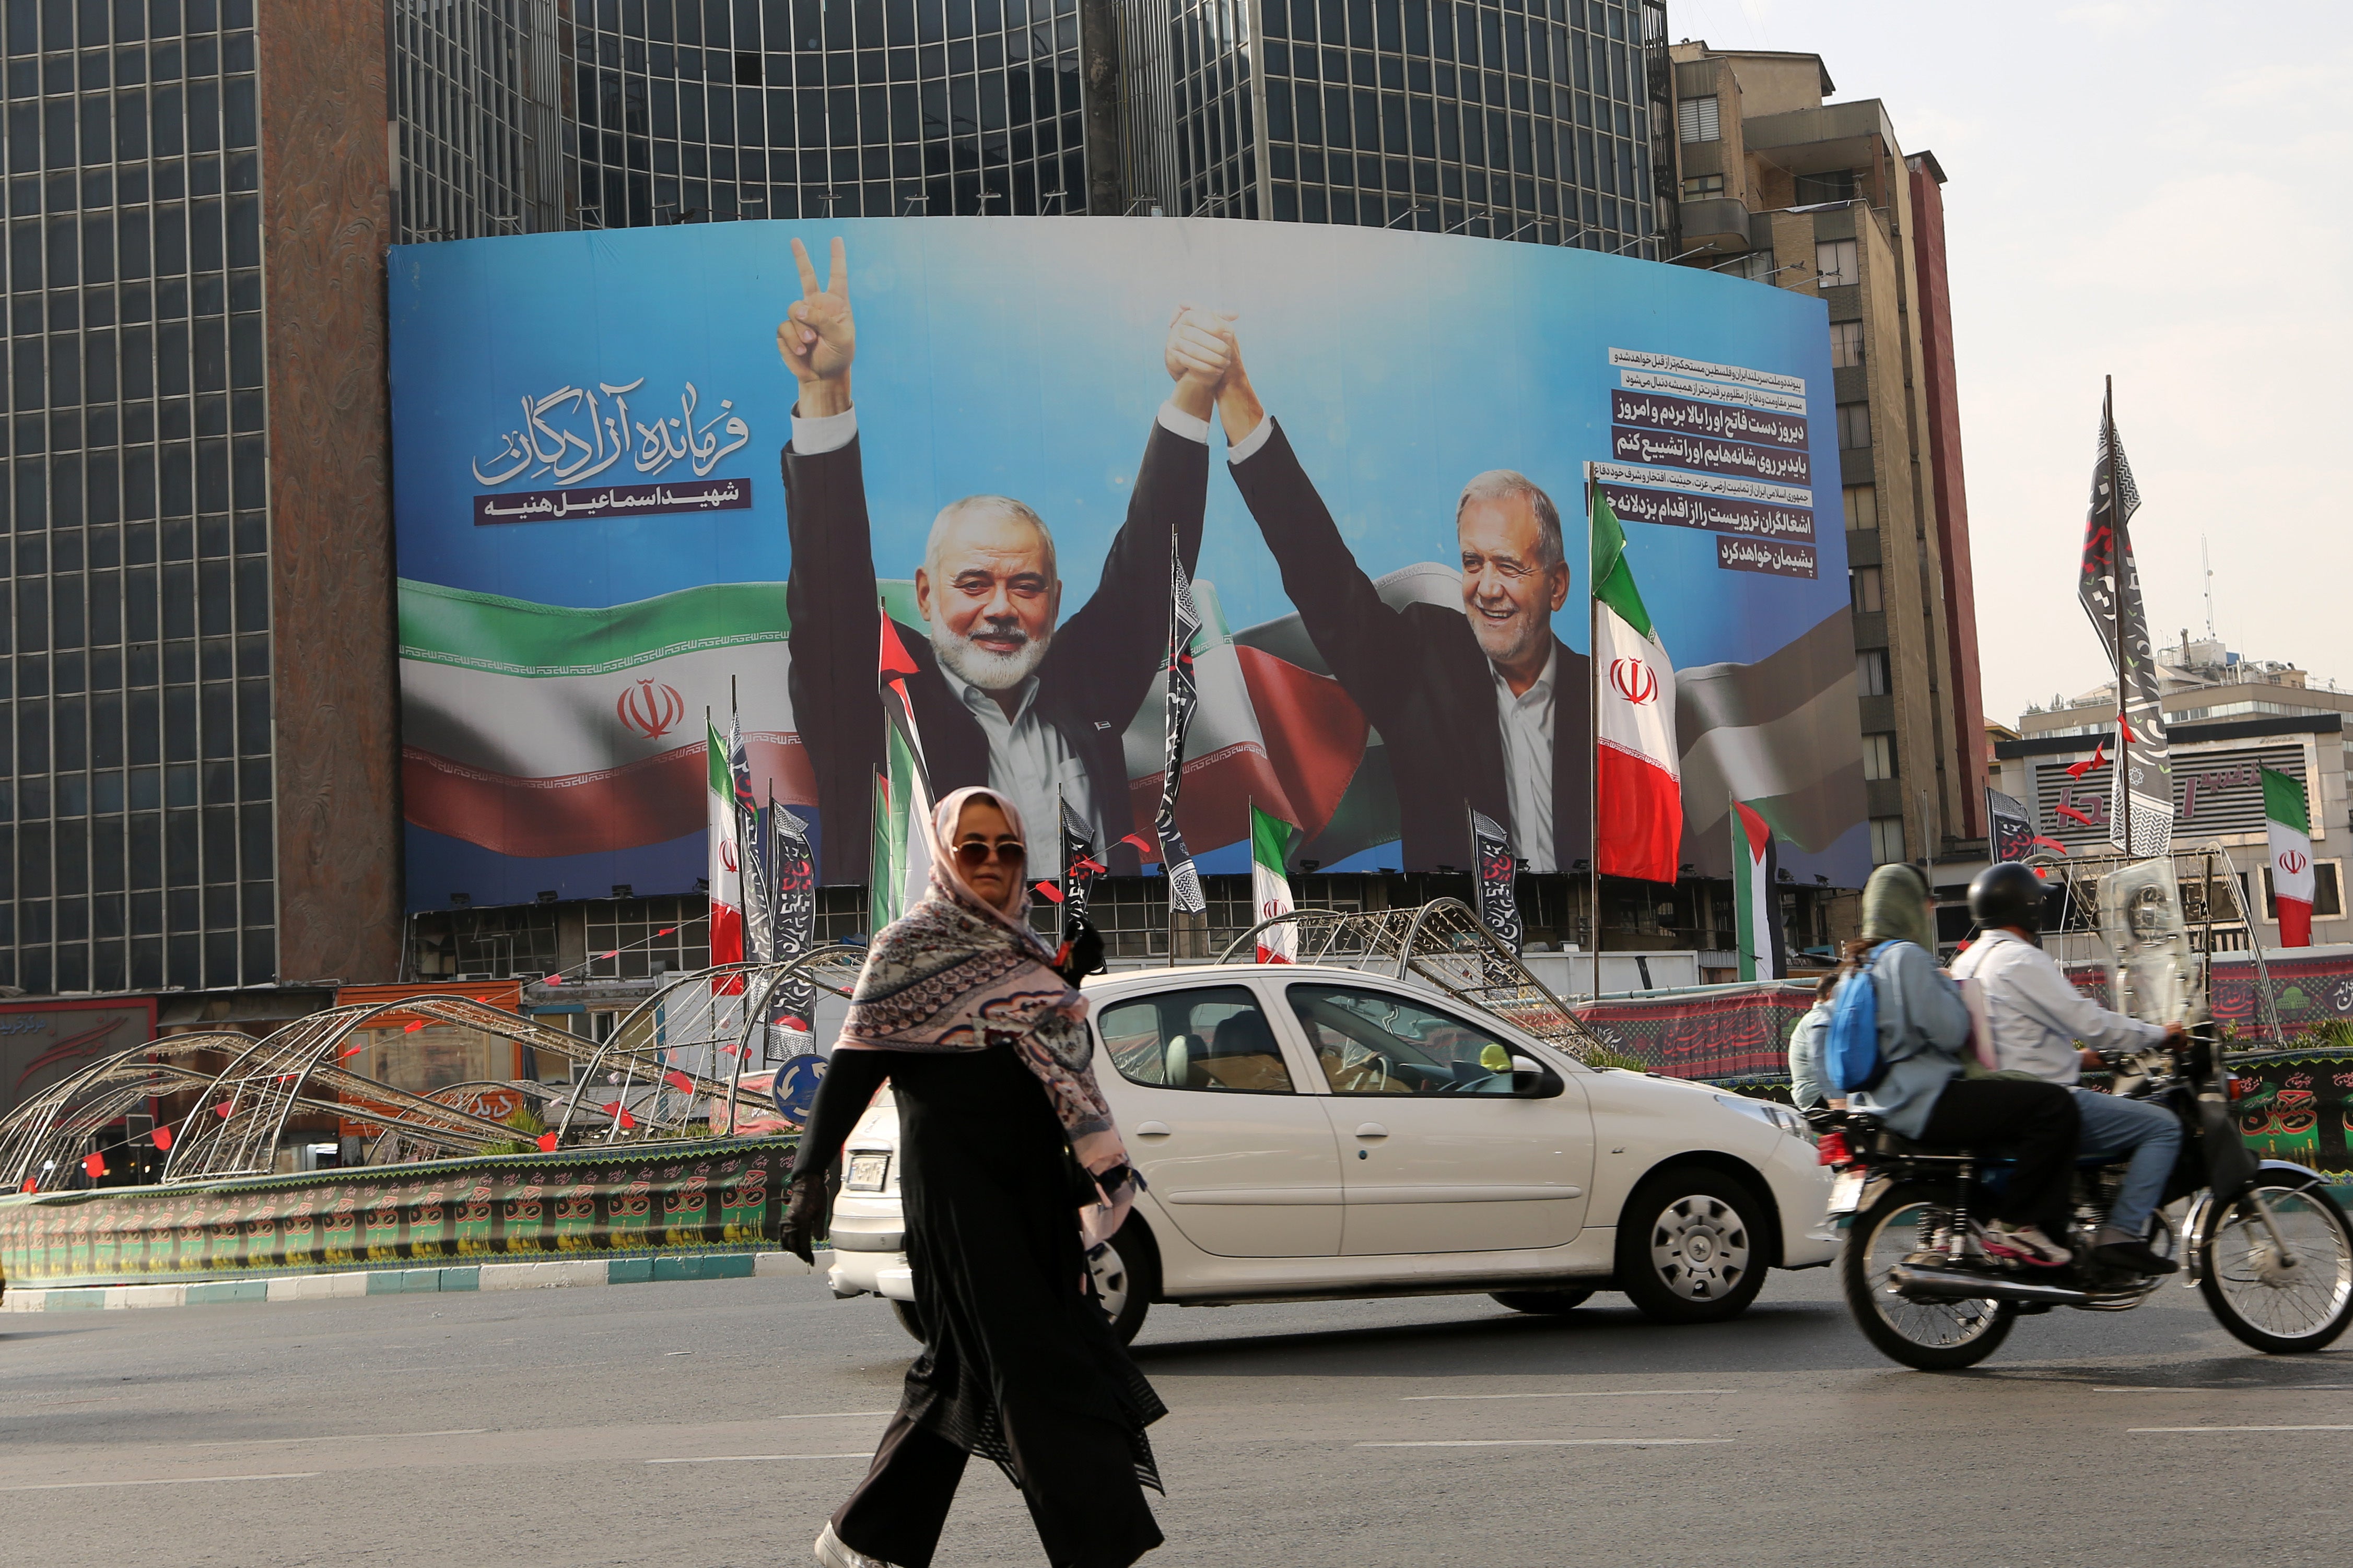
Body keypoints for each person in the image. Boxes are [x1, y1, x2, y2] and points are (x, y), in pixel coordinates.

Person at [781, 785, 1164, 1568]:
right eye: (973, 847)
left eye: (1008, 849)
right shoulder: (909, 944)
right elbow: (855, 1067)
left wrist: (1063, 979)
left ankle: (865, 1534)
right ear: (945, 856)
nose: (992, 862)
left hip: (1031, 1187)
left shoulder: (1017, 950)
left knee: (960, 1368)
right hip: (959, 1196)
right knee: (1039, 1361)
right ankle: (1100, 1546)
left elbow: (1028, 1052)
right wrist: (806, 1175)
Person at [778, 237, 1221, 883]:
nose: (1000, 609)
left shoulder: (1084, 686)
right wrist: (825, 394)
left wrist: (1195, 389)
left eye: (1026, 586)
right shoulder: (877, 701)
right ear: (926, 596)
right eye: (974, 583)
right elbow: (830, 587)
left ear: (1055, 600)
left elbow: (1153, 562)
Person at [1177, 312, 1590, 873]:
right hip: (1457, 949)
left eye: (1510, 567)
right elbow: (1322, 576)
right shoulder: (1425, 663)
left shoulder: (1605, 705)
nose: (1486, 588)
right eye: (1472, 563)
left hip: (1595, 948)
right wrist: (1237, 400)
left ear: (1557, 585)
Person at [1841, 863, 2082, 1267]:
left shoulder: (1857, 965)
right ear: (1906, 906)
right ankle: (2020, 1223)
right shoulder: (1906, 957)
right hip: (1927, 1101)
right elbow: (1950, 1031)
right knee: (2052, 1104)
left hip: (1878, 1106)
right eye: (1925, 903)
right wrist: (1950, 993)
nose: (1929, 911)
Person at [1951, 861, 2185, 1275]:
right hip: (2045, 1103)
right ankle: (2122, 1233)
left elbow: (2008, 1041)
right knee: (2163, 1126)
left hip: (2003, 1096)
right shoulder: (2021, 959)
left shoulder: (1967, 962)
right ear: (2026, 908)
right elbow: (2090, 1022)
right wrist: (2157, 1034)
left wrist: (2081, 1059)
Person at [1786, 973, 1840, 1113]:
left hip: (1816, 1092)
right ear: (1831, 996)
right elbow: (1821, 1063)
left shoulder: (1822, 1017)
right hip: (1815, 1094)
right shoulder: (1819, 1020)